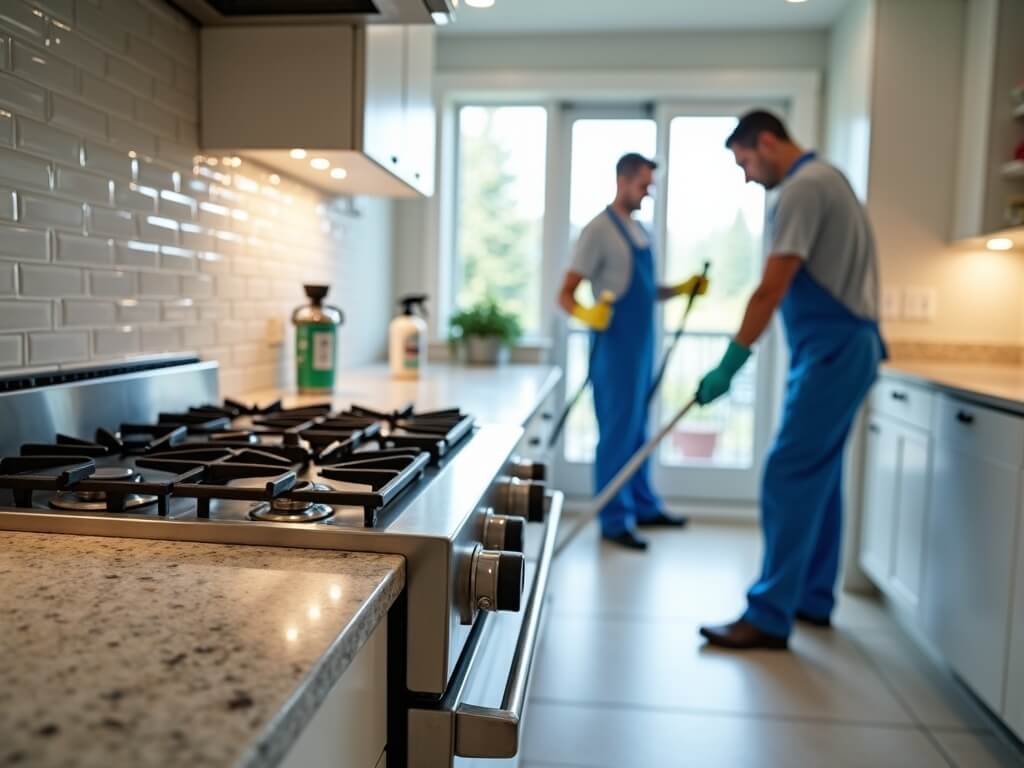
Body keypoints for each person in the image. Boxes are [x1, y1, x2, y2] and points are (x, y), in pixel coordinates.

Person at [695, 110, 885, 650]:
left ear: (769, 141)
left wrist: (731, 363)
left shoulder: (802, 189)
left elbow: (771, 289)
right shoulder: (831, 178)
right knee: (819, 478)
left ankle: (769, 614)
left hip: (834, 348)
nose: (748, 176)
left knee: (788, 473)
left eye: (746, 162)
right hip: (844, 346)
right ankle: (812, 599)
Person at [557, 153, 708, 551]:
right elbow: (565, 295)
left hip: (641, 348)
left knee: (639, 431)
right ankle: (613, 519)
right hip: (614, 349)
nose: (648, 192)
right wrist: (588, 314)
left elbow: (648, 289)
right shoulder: (597, 231)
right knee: (617, 433)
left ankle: (643, 506)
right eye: (644, 184)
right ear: (623, 180)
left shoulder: (640, 230)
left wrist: (682, 289)